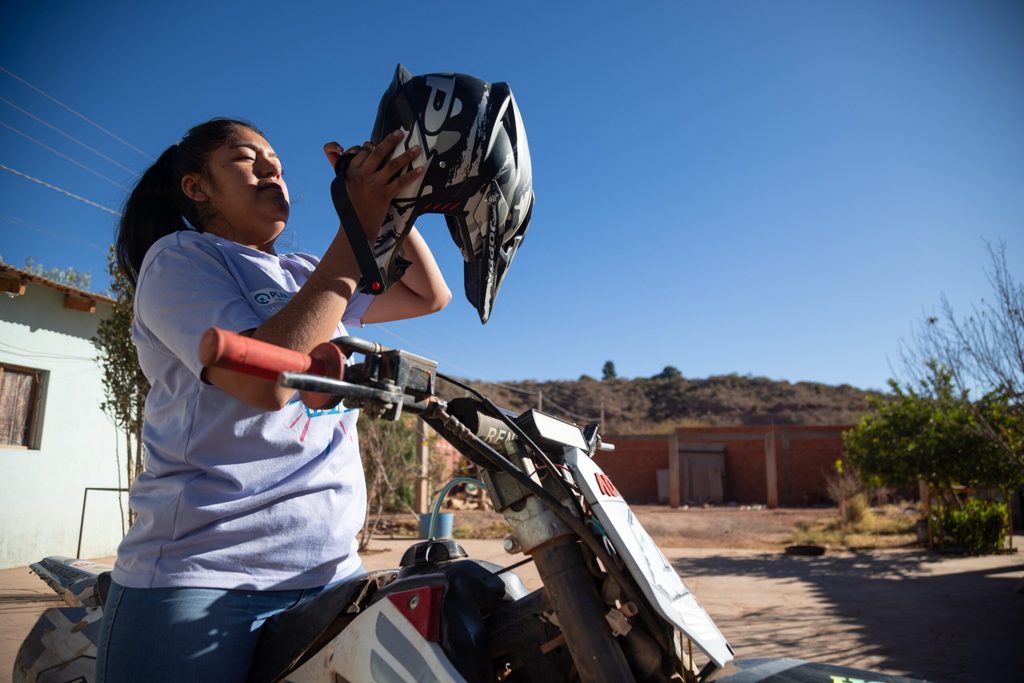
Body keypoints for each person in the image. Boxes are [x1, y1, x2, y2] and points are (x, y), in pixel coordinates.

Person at [96, 117, 451, 681]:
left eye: (279, 165)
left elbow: (428, 295)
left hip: (333, 572)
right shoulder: (181, 259)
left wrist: (392, 206)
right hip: (203, 576)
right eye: (247, 158)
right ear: (197, 188)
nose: (272, 171)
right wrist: (357, 219)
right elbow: (266, 382)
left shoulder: (305, 272)